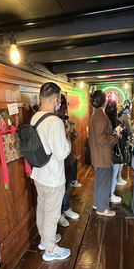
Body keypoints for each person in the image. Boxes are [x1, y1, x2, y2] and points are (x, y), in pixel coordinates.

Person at [31, 82, 71, 261]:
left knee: (42, 208)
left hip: (38, 174)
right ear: (56, 99)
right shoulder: (55, 122)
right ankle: (50, 249)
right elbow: (62, 152)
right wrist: (68, 140)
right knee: (52, 213)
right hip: (53, 177)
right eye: (59, 100)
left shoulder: (35, 117)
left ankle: (44, 240)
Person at [89, 90, 121, 217]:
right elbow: (101, 138)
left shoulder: (94, 115)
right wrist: (115, 137)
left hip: (97, 154)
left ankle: (97, 203)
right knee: (104, 181)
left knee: (99, 180)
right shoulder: (101, 118)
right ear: (104, 102)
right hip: (103, 155)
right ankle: (102, 208)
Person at [56, 94, 80, 228]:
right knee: (61, 189)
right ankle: (59, 214)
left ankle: (66, 208)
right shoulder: (54, 123)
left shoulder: (63, 122)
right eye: (64, 108)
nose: (65, 112)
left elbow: (68, 143)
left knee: (66, 187)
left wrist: (72, 136)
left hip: (69, 159)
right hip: (61, 162)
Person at [105, 100, 122, 203]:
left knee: (105, 175)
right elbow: (119, 137)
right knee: (114, 173)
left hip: (104, 151)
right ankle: (111, 194)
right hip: (114, 151)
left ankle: (106, 194)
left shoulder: (104, 120)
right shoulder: (117, 122)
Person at [117, 100, 133, 184]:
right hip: (123, 140)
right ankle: (118, 178)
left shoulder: (119, 114)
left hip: (118, 140)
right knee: (121, 160)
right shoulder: (126, 117)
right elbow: (129, 131)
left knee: (118, 160)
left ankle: (116, 177)